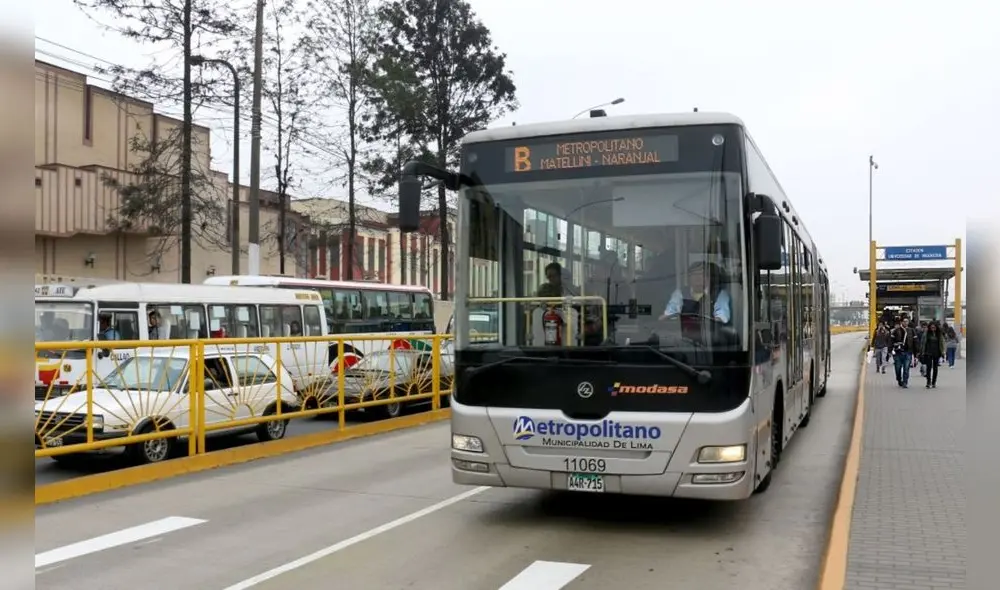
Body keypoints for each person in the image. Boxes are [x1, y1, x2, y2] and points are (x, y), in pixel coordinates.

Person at [658, 261, 731, 324]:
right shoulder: (680, 293)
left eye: (701, 274)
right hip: (683, 334)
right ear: (689, 278)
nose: (697, 278)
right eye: (694, 274)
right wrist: (665, 318)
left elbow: (722, 318)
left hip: (708, 335)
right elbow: (670, 313)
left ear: (708, 277)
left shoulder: (720, 294)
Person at [890, 317, 915, 388]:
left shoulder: (912, 331)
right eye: (904, 321)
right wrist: (890, 350)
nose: (905, 323)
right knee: (898, 368)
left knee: (906, 368)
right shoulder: (896, 331)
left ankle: (905, 382)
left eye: (907, 321)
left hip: (908, 352)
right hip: (898, 353)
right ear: (901, 322)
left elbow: (915, 342)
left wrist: (916, 353)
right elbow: (891, 341)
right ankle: (898, 379)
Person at [919, 321, 945, 388]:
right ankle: (928, 381)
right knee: (928, 368)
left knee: (935, 368)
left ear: (936, 327)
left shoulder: (939, 334)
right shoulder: (926, 334)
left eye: (934, 327)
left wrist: (943, 352)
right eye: (931, 327)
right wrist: (921, 351)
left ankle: (934, 382)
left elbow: (942, 343)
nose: (933, 328)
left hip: (937, 353)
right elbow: (922, 343)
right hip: (928, 352)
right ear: (929, 327)